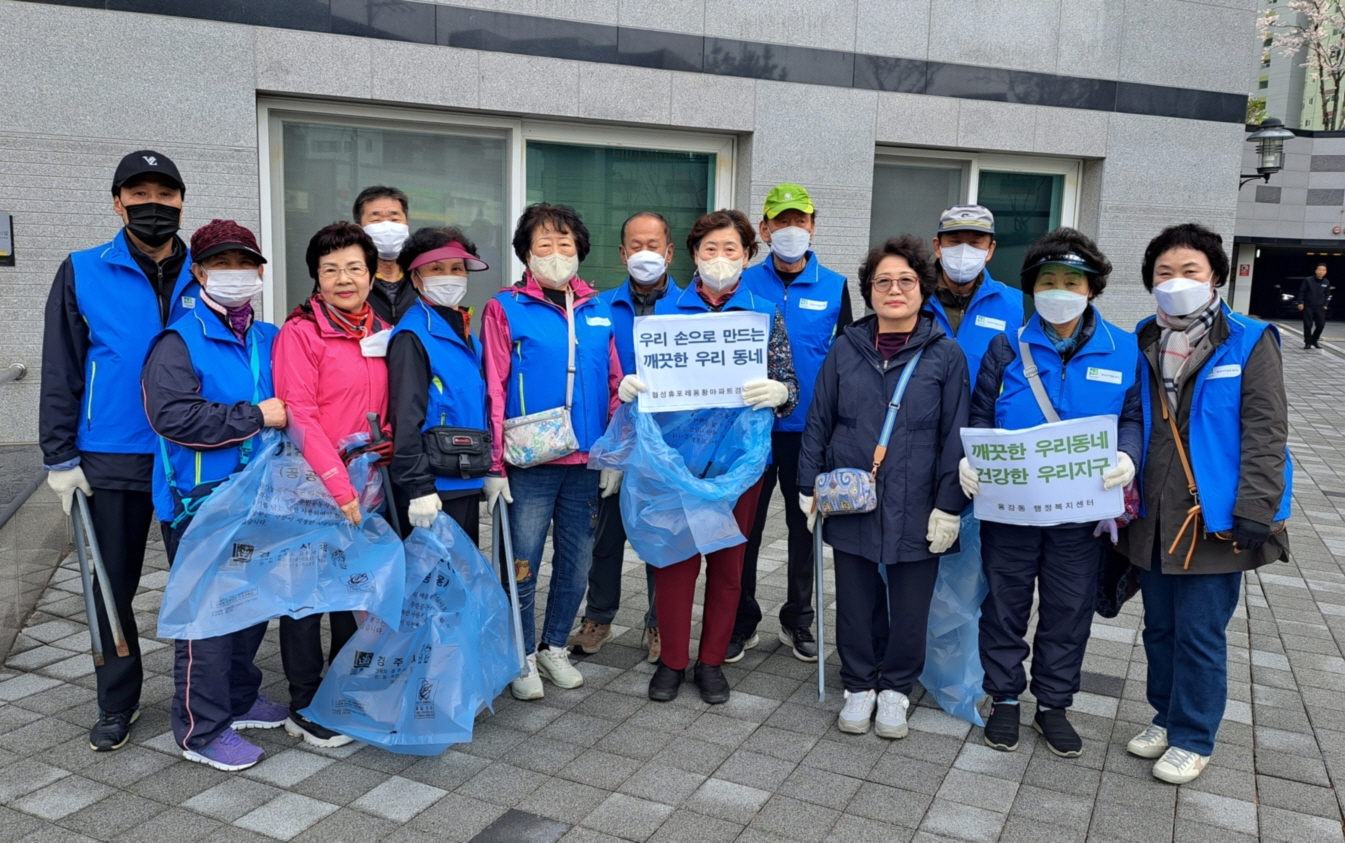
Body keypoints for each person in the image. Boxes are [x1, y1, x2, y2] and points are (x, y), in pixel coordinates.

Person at [1120, 223, 1291, 784]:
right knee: (1159, 628)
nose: (1176, 282)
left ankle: (1195, 736)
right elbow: (1138, 416)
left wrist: (1256, 509)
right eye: (1164, 272)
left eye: (1189, 270)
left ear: (1214, 275)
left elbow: (1266, 430)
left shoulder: (1249, 337)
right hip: (1156, 510)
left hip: (1214, 515)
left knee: (1199, 631)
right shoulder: (1146, 335)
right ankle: (1165, 717)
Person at [960, 228, 1142, 758]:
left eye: (1071, 281)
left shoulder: (1125, 348)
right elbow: (980, 416)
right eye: (1048, 281)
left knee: (1068, 609)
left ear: (1091, 290)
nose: (1058, 289)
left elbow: (1132, 416)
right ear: (1031, 289)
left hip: (1081, 516)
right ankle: (1006, 699)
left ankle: (1054, 704)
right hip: (1011, 509)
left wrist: (1127, 455)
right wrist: (971, 460)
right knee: (1004, 606)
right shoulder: (1005, 347)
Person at [40, 150, 198, 751]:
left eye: (165, 194)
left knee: (200, 580)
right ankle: (118, 700)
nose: (153, 205)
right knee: (111, 587)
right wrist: (59, 457)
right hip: (112, 454)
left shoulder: (208, 269)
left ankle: (207, 690)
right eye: (139, 195)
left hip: (192, 456)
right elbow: (62, 369)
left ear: (182, 201)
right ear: (117, 202)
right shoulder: (82, 270)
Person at [620, 209, 799, 705]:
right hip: (678, 466)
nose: (720, 260)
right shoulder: (664, 317)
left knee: (728, 566)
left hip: (740, 468)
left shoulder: (764, 315)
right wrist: (631, 390)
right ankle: (673, 661)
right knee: (676, 562)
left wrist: (779, 391)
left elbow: (793, 391)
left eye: (731, 251)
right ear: (694, 256)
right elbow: (645, 386)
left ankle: (713, 661)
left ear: (747, 256)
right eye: (710, 250)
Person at [798, 235, 968, 739]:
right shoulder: (845, 348)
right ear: (869, 291)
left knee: (911, 602)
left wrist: (949, 506)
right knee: (854, 597)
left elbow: (954, 435)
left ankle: (896, 687)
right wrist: (808, 484)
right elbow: (818, 420)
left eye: (906, 280)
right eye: (883, 281)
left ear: (923, 288)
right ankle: (859, 684)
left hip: (918, 498)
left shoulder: (945, 355)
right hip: (851, 494)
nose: (895, 289)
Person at [141, 220, 290, 771]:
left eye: (245, 263)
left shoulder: (270, 338)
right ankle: (200, 730)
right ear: (199, 272)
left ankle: (237, 696)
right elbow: (171, 415)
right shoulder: (178, 341)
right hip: (199, 501)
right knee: (204, 618)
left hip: (262, 497)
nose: (235, 274)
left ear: (259, 272)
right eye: (221, 263)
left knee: (249, 604)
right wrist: (255, 416)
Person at [481, 203, 622, 700]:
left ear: (580, 251)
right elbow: (493, 387)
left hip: (586, 463)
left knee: (576, 563)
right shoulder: (505, 307)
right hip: (529, 463)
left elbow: (613, 383)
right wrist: (493, 464)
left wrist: (613, 456)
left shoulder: (597, 309)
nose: (557, 253)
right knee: (521, 562)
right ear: (526, 253)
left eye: (566, 244)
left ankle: (553, 646)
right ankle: (517, 654)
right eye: (545, 244)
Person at [271, 221, 392, 747]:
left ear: (371, 274)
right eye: (331, 270)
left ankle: (341, 692)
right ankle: (304, 700)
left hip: (370, 483)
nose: (344, 279)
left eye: (354, 268)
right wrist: (336, 484)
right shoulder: (300, 333)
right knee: (304, 596)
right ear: (316, 279)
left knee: (353, 588)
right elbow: (299, 414)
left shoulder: (380, 330)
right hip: (312, 484)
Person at [729, 183, 852, 665]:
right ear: (764, 229)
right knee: (746, 531)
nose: (791, 230)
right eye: (781, 221)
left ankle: (798, 620)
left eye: (799, 220)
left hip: (811, 432)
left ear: (813, 226)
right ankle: (742, 619)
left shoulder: (835, 285)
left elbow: (846, 360)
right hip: (751, 431)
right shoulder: (743, 282)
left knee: (806, 531)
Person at [571, 212, 680, 661]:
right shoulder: (598, 308)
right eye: (636, 245)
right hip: (615, 440)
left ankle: (659, 625)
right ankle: (599, 616)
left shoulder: (689, 308)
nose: (645, 254)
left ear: (670, 252)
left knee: (662, 537)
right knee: (605, 537)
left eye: (654, 245)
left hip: (669, 444)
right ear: (622, 253)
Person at [388, 227, 491, 543]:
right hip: (433, 485)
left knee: (460, 579)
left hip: (465, 476)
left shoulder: (467, 334)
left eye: (457, 268)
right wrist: (418, 487)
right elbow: (405, 417)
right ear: (416, 278)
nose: (449, 276)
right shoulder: (413, 335)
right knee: (430, 585)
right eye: (436, 268)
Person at [925, 205, 1024, 380]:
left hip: (983, 408)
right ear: (938, 247)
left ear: (990, 249)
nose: (964, 250)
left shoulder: (1014, 306)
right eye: (955, 241)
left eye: (975, 242)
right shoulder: (913, 298)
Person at [354, 185, 418, 324]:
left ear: (407, 224)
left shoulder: (423, 275)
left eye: (395, 220)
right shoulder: (348, 279)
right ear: (359, 229)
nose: (387, 227)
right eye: (376, 220)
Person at [1297, 262, 1330, 350]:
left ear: (1326, 272)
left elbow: (1328, 295)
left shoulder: (1326, 282)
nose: (1321, 272)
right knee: (1308, 325)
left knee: (1321, 325)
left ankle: (1314, 340)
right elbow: (1302, 292)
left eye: (1323, 270)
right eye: (1319, 270)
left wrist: (1326, 304)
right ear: (1316, 271)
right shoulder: (1308, 280)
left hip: (1320, 307)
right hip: (1308, 306)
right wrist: (1300, 302)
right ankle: (1307, 342)